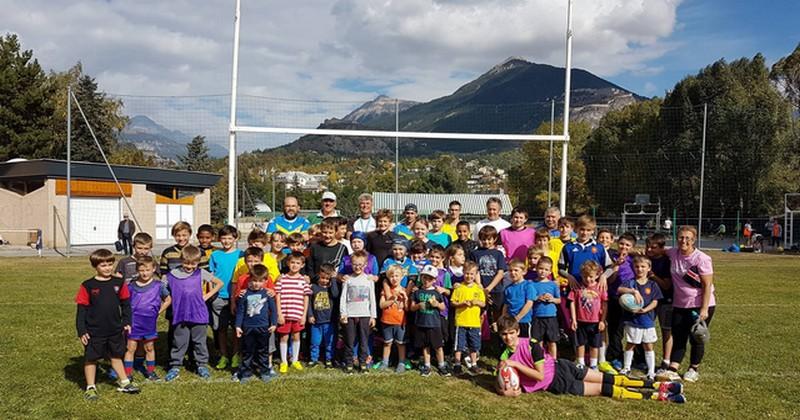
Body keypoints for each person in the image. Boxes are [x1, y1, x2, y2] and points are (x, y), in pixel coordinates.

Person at [495, 315, 685, 403]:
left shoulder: (531, 345)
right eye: (504, 334)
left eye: (511, 333)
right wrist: (504, 392)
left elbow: (539, 375)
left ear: (518, 331)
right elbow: (500, 381)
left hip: (563, 368)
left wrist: (515, 363)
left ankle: (658, 385)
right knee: (602, 389)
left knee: (607, 378)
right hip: (558, 384)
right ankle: (656, 396)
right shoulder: (504, 357)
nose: (508, 337)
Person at [75, 249, 140, 400]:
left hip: (114, 329)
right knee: (91, 358)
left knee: (116, 356)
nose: (108, 268)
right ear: (95, 266)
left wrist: (127, 321)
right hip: (94, 331)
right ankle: (91, 387)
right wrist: (82, 330)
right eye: (103, 265)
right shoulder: (87, 285)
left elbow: (126, 305)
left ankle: (124, 382)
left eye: (110, 264)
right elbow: (81, 310)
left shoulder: (119, 283)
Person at [164, 245, 224, 382]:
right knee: (179, 341)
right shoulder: (172, 275)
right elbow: (162, 288)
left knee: (199, 341)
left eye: (193, 264)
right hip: (180, 314)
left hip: (199, 313)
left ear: (198, 262)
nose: (190, 266)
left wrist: (206, 296)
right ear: (181, 260)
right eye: (186, 263)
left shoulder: (201, 273)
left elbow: (219, 283)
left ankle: (201, 365)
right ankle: (175, 366)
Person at [665, 225, 717, 383]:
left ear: (694, 240)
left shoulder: (702, 258)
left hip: (699, 304)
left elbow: (707, 285)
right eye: (681, 237)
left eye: (688, 238)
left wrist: (704, 309)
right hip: (680, 304)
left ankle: (693, 369)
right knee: (679, 336)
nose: (684, 241)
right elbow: (656, 251)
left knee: (696, 337)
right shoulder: (673, 253)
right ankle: (673, 368)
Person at [123, 256, 169, 381]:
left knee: (149, 348)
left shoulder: (159, 285)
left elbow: (168, 300)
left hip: (149, 323)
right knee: (130, 348)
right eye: (142, 270)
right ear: (137, 270)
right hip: (134, 322)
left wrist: (158, 312)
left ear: (153, 269)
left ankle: (150, 372)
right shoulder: (131, 286)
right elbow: (124, 303)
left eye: (147, 270)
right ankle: (127, 374)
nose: (145, 273)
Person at [617, 255, 663, 380]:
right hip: (632, 321)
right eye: (637, 266)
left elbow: (655, 301)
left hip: (647, 320)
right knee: (630, 343)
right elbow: (620, 289)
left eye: (643, 266)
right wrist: (633, 291)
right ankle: (626, 368)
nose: (640, 269)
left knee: (648, 345)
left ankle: (651, 371)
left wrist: (645, 310)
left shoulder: (652, 285)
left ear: (649, 268)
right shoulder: (630, 283)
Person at [208, 225, 244, 370]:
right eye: (223, 238)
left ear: (235, 238)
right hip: (219, 296)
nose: (226, 241)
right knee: (220, 328)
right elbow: (211, 276)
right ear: (219, 239)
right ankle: (223, 355)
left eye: (229, 238)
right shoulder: (215, 255)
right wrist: (211, 293)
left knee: (236, 328)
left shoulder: (241, 254)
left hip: (236, 296)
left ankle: (235, 354)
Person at [234, 264, 278, 383]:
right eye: (254, 280)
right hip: (248, 327)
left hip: (263, 327)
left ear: (265, 281)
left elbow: (273, 310)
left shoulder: (268, 294)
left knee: (263, 351)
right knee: (247, 351)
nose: (256, 284)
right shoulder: (244, 295)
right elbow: (240, 312)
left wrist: (274, 324)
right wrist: (238, 326)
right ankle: (246, 373)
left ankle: (265, 372)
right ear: (250, 280)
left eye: (260, 281)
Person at [339, 251, 377, 374]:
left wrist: (373, 316)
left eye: (360, 264)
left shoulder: (369, 280)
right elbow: (343, 298)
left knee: (364, 341)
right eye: (355, 264)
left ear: (365, 265)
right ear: (351, 264)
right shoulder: (348, 279)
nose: (357, 267)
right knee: (349, 341)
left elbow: (372, 299)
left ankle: (363, 363)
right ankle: (349, 363)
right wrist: (343, 313)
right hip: (350, 314)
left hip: (365, 314)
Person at [275, 252, 312, 373]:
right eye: (292, 262)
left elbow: (306, 298)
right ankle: (284, 361)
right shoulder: (282, 279)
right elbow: (277, 296)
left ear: (302, 265)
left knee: (296, 336)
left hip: (298, 314)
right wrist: (279, 313)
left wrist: (304, 315)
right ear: (287, 263)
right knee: (284, 337)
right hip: (285, 314)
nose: (295, 265)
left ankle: (295, 360)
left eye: (297, 263)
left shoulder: (303, 280)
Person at [411, 265, 451, 377]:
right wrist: (418, 305)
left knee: (438, 346)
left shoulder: (436, 292)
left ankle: (441, 365)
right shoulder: (417, 292)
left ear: (434, 280)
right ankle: (427, 365)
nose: (427, 281)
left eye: (430, 279)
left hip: (434, 324)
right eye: (425, 277)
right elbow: (411, 307)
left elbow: (443, 307)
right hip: (421, 323)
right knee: (425, 346)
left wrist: (436, 304)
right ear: (421, 278)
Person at [569, 261, 608, 371]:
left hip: (595, 322)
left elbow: (605, 304)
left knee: (594, 345)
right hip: (581, 321)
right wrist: (574, 319)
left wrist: (602, 320)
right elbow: (572, 302)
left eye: (590, 276)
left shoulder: (600, 287)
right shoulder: (577, 287)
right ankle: (580, 363)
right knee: (580, 343)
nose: (587, 279)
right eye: (585, 276)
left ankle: (593, 365)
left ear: (597, 275)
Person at [646, 233, 675, 378]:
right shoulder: (646, 259)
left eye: (653, 247)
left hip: (665, 300)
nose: (649, 250)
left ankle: (666, 360)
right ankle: (643, 358)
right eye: (648, 246)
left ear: (662, 248)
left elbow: (666, 285)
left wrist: (653, 276)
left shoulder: (666, 262)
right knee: (644, 328)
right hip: (648, 300)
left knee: (666, 330)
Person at [450, 261, 485, 375]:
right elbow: (453, 302)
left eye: (471, 274)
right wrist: (462, 303)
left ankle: (473, 364)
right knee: (459, 345)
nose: (469, 276)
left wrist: (476, 302)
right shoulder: (459, 288)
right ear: (463, 273)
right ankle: (457, 364)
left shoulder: (478, 289)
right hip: (461, 321)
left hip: (474, 322)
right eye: (467, 273)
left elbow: (483, 303)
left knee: (474, 345)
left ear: (475, 275)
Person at [470, 225, 508, 326]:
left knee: (498, 313)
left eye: (489, 239)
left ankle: (498, 332)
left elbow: (500, 272)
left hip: (496, 289)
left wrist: (489, 288)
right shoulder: (475, 253)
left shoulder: (498, 254)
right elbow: (475, 271)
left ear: (494, 239)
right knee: (480, 313)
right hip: (480, 289)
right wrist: (480, 286)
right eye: (483, 239)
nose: (486, 242)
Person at [308, 263, 340, 368]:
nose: (325, 280)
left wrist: (333, 279)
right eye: (322, 278)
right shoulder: (313, 287)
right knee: (315, 341)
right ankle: (314, 359)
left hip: (329, 321)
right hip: (316, 321)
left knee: (329, 342)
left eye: (327, 278)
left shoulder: (331, 288)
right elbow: (309, 303)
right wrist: (310, 315)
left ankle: (329, 359)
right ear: (318, 275)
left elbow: (335, 294)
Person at [379, 265, 409, 373]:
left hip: (400, 322)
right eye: (391, 276)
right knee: (387, 343)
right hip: (387, 321)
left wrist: (405, 299)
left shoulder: (404, 290)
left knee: (401, 343)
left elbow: (407, 308)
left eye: (397, 276)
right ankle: (385, 361)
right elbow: (381, 305)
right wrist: (392, 300)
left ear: (401, 277)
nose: (394, 278)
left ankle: (401, 362)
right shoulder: (385, 291)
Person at [530, 257, 561, 358]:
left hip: (551, 316)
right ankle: (540, 360)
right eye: (541, 268)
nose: (543, 271)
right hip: (537, 316)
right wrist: (538, 298)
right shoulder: (532, 284)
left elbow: (559, 300)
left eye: (546, 269)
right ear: (536, 268)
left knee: (552, 341)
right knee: (538, 341)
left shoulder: (553, 285)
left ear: (550, 271)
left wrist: (552, 299)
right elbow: (530, 298)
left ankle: (553, 361)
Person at [502, 259, 536, 338]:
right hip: (511, 322)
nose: (513, 273)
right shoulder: (508, 288)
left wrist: (518, 317)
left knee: (524, 342)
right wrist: (504, 318)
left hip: (524, 321)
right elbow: (506, 305)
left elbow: (529, 303)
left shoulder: (528, 285)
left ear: (524, 272)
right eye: (510, 270)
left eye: (516, 270)